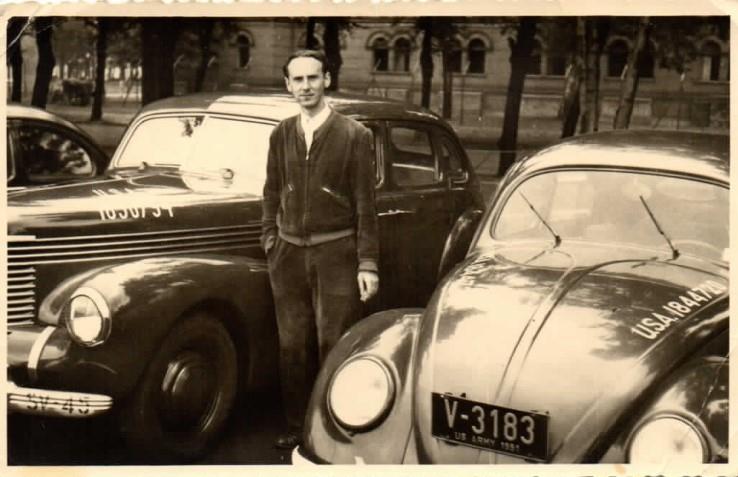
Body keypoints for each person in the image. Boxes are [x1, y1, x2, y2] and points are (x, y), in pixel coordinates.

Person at [261, 50, 380, 449]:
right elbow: (271, 191)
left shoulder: (354, 135)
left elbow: (366, 204)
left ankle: (335, 428)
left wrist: (367, 263)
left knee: (334, 341)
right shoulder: (281, 134)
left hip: (336, 253)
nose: (305, 87)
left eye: (313, 78)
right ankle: (298, 427)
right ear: (288, 85)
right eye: (298, 80)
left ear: (326, 79)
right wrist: (270, 240)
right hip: (288, 254)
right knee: (292, 345)